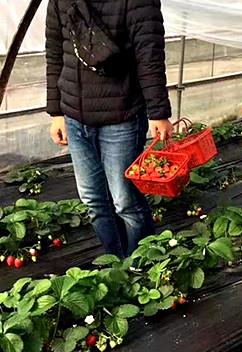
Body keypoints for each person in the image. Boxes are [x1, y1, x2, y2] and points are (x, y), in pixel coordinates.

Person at [45, 0, 173, 258]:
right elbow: (55, 52)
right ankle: (116, 262)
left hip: (121, 116)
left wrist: (158, 112)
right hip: (74, 116)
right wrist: (56, 112)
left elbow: (149, 55)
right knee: (93, 200)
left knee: (125, 202)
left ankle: (139, 264)